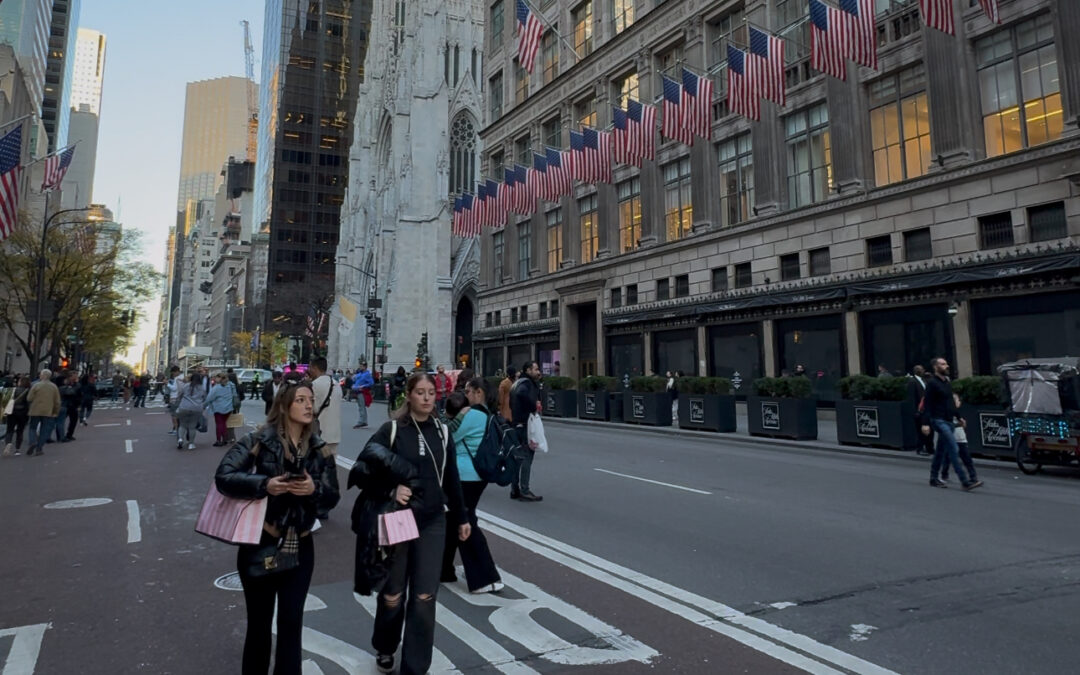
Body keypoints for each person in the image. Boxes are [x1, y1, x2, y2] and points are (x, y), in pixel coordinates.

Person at [215, 379, 340, 675]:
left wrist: (313, 490)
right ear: (284, 406)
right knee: (259, 624)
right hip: (261, 542)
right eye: (300, 400)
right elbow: (224, 476)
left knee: (291, 622)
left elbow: (332, 497)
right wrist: (264, 484)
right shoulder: (260, 439)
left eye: (310, 400)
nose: (309, 405)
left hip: (301, 545)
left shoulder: (319, 449)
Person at [356, 373, 470, 675]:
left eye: (431, 392)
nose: (426, 398)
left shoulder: (443, 432)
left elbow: (452, 478)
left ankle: (415, 668)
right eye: (420, 392)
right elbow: (361, 469)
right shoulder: (392, 430)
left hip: (433, 521)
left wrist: (462, 517)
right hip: (398, 520)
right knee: (393, 595)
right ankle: (385, 644)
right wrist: (391, 490)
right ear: (408, 395)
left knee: (424, 596)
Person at [441, 384, 504, 593]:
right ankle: (443, 570)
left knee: (464, 522)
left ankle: (484, 578)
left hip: (465, 475)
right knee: (452, 520)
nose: (464, 395)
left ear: (479, 392)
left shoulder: (473, 415)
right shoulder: (488, 413)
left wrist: (454, 417)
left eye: (468, 391)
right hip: (475, 474)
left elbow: (447, 437)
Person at [922, 357, 983, 491]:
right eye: (943, 364)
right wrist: (925, 423)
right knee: (953, 447)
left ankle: (933, 478)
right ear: (935, 367)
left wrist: (959, 418)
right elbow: (927, 404)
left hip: (949, 420)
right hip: (938, 420)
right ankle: (965, 481)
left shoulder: (947, 382)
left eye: (946, 363)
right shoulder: (932, 383)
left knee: (940, 451)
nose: (946, 366)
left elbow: (950, 403)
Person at [308, 357, 342, 521]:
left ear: (315, 368)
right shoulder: (336, 384)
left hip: (320, 433)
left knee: (317, 470)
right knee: (330, 472)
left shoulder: (315, 385)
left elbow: (312, 408)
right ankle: (326, 505)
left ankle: (319, 504)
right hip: (334, 432)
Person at [510, 361, 542, 502]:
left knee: (518, 457)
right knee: (527, 456)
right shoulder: (526, 384)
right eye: (536, 369)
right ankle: (524, 489)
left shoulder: (518, 382)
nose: (538, 371)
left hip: (517, 422)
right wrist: (532, 406)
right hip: (524, 424)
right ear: (528, 370)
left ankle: (515, 489)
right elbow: (521, 395)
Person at [942, 393, 979, 485]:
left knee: (966, 458)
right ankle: (944, 474)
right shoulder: (947, 413)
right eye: (955, 401)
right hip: (951, 438)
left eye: (957, 400)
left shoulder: (960, 413)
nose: (957, 403)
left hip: (961, 438)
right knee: (948, 458)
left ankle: (973, 476)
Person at [26, 369, 60, 456]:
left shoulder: (36, 385)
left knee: (32, 428)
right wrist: (55, 412)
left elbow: (29, 398)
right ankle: (39, 448)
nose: (40, 376)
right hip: (47, 411)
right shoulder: (54, 387)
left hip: (35, 410)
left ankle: (32, 442)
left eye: (41, 374)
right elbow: (57, 402)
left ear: (43, 375)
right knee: (44, 430)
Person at [175, 371, 208, 450]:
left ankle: (180, 439)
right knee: (192, 427)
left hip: (184, 407)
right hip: (196, 408)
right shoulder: (202, 388)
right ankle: (191, 444)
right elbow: (205, 398)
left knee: (182, 425)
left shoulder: (186, 386)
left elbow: (180, 394)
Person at [205, 373, 238, 447]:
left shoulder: (217, 388)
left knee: (219, 424)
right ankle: (225, 439)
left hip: (218, 408)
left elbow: (209, 398)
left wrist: (204, 405)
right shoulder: (231, 386)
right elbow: (235, 395)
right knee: (224, 423)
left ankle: (219, 440)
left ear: (219, 378)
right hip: (229, 408)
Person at [906, 365, 933, 456]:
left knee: (929, 429)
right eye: (921, 369)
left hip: (927, 409)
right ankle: (920, 448)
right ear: (916, 371)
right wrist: (915, 411)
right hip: (919, 410)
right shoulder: (912, 381)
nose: (923, 371)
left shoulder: (924, 380)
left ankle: (930, 447)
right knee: (920, 430)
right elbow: (912, 398)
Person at [2, 376, 32, 456]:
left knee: (10, 430)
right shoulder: (28, 391)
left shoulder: (13, 390)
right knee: (20, 431)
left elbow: (5, 400)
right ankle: (17, 449)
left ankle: (8, 443)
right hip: (23, 413)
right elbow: (29, 403)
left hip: (12, 412)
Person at [351, 362, 374, 429]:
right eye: (360, 366)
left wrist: (363, 386)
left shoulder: (367, 374)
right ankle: (364, 420)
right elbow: (355, 381)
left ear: (365, 367)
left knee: (362, 407)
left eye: (361, 366)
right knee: (360, 406)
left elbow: (371, 383)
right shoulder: (360, 373)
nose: (360, 367)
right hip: (357, 391)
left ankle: (361, 421)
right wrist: (354, 385)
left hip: (362, 392)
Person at [61, 372, 81, 441]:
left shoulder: (77, 385)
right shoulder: (65, 383)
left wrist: (79, 404)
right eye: (74, 376)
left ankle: (69, 435)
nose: (76, 377)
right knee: (61, 421)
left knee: (73, 421)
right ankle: (61, 435)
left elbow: (79, 395)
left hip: (73, 405)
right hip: (66, 404)